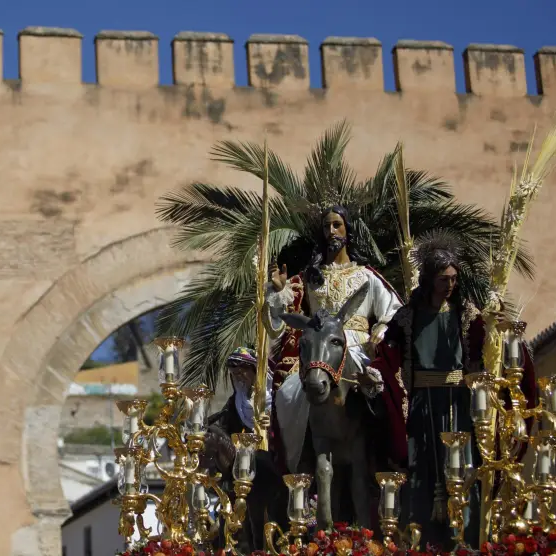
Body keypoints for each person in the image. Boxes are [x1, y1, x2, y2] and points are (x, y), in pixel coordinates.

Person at [369, 232, 538, 550]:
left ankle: (469, 541)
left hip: (459, 405)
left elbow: (490, 345)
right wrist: (374, 369)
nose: (450, 284)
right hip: (423, 407)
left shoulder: (466, 314)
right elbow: (388, 352)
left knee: (463, 470)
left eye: (454, 278)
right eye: (444, 279)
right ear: (430, 279)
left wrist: (497, 324)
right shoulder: (408, 317)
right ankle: (424, 542)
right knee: (424, 472)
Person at [261, 205, 404, 473]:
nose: (331, 231)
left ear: (348, 230)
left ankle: (383, 453)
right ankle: (300, 464)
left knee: (378, 390)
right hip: (319, 350)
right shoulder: (308, 278)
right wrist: (279, 292)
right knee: (288, 394)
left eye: (337, 225)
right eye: (326, 226)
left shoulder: (366, 276)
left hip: (358, 347)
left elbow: (394, 312)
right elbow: (281, 323)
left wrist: (381, 328)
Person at [202, 347, 287, 552]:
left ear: (255, 371)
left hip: (273, 457)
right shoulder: (236, 401)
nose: (238, 377)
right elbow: (224, 423)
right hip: (244, 463)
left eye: (242, 371)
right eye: (234, 373)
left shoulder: (275, 396)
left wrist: (273, 422)